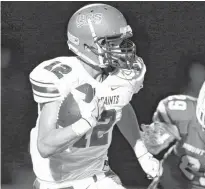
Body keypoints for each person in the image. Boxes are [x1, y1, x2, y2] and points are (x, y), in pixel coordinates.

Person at [29, 3, 159, 189]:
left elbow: (122, 104)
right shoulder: (62, 78)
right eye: (111, 42)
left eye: (121, 41)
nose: (121, 48)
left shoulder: (123, 75)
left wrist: (142, 153)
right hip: (57, 183)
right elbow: (45, 146)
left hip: (98, 175)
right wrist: (85, 123)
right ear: (85, 44)